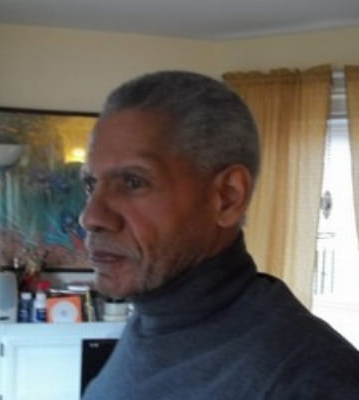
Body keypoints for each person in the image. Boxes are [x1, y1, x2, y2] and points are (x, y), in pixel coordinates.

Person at [79, 71, 359, 400]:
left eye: (133, 182)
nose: (91, 217)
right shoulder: (153, 319)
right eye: (91, 185)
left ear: (228, 197)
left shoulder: (309, 379)